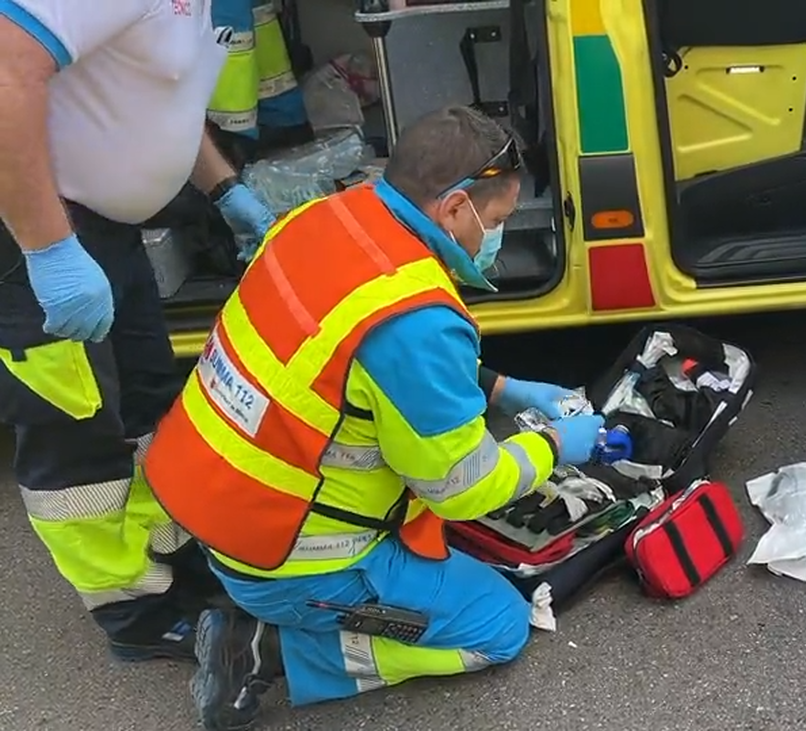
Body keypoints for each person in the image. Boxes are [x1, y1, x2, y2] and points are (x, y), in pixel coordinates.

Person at [141, 106, 607, 730]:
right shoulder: (417, 323)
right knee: (498, 627)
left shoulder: (322, 219)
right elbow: (465, 487)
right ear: (453, 209)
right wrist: (552, 444)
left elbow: (347, 356)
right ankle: (267, 650)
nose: (492, 238)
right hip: (293, 558)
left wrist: (500, 388)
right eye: (494, 221)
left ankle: (262, 614)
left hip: (214, 510)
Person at [0, 0, 278, 662]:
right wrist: (47, 250)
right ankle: (129, 608)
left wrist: (222, 187)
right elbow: (6, 71)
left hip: (106, 230)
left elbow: (156, 99)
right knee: (75, 436)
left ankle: (172, 560)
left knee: (152, 399)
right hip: (33, 229)